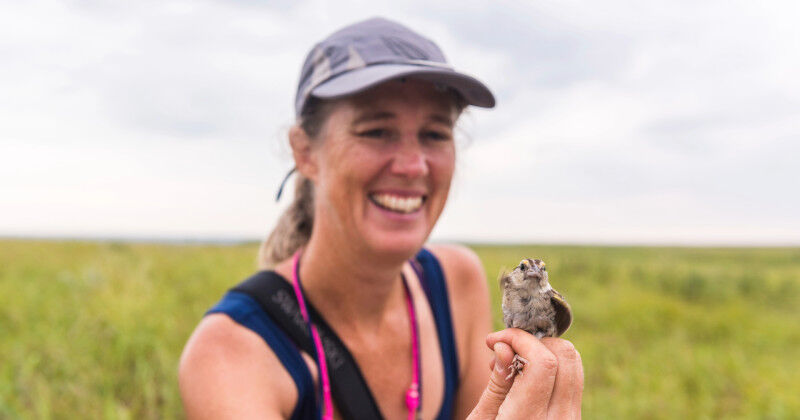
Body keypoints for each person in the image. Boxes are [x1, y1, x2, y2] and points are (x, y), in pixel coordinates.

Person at [178, 16, 583, 419]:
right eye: (375, 131)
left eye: (435, 134)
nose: (412, 165)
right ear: (305, 152)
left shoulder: (456, 283)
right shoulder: (230, 354)